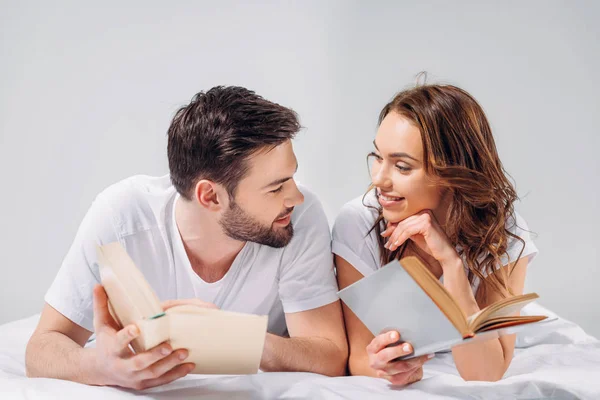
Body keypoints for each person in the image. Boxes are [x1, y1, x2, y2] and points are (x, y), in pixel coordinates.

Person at [26, 86, 348, 389]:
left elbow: (330, 355)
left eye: (292, 177)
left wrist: (237, 337)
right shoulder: (122, 217)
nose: (296, 196)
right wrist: (101, 366)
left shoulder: (298, 219)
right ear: (210, 196)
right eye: (276, 187)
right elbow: (42, 348)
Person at [333, 80, 538, 384]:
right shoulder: (359, 222)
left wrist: (451, 265)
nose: (379, 179)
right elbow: (359, 357)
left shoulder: (502, 230)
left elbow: (485, 372)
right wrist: (390, 367)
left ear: (454, 174)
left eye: (402, 166)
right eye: (378, 157)